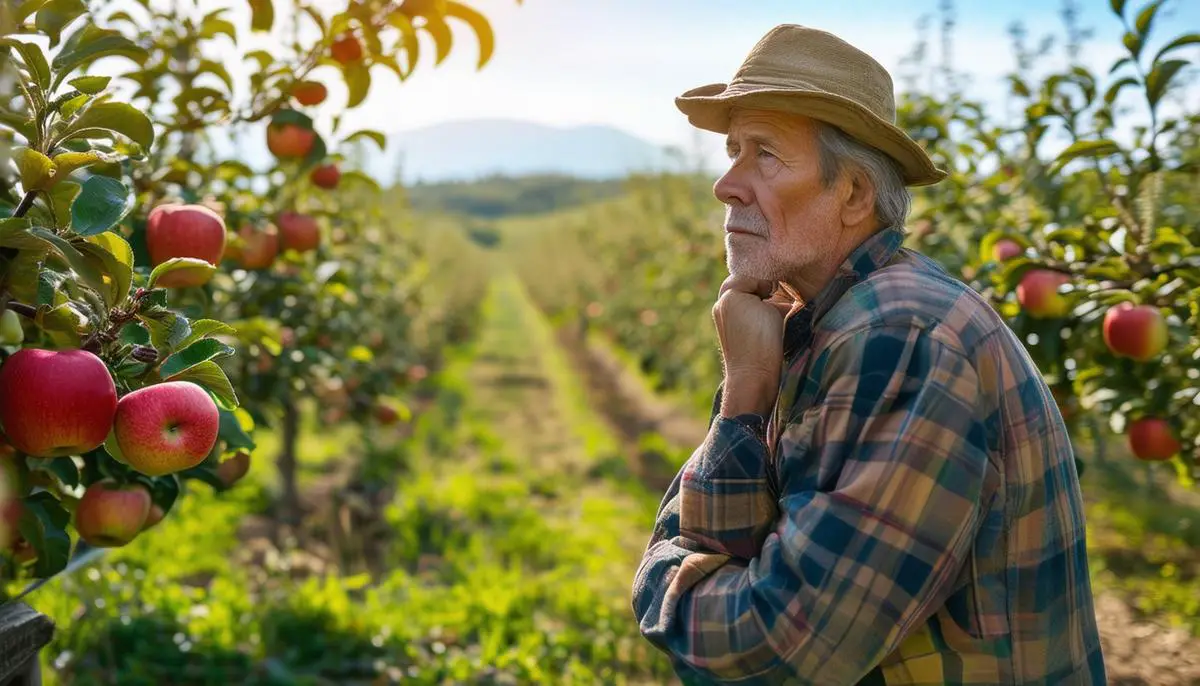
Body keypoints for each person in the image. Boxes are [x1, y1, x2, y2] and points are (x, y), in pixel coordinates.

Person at [630, 24, 1106, 685]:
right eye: (733, 150)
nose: (726, 184)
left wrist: (660, 585)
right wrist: (745, 392)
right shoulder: (815, 322)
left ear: (854, 194)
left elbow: (773, 656)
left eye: (764, 155)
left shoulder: (902, 339)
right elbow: (740, 558)